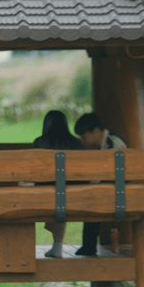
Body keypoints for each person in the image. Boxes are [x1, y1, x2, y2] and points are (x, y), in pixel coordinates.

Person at [73, 112, 127, 256]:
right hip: (111, 189)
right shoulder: (103, 144)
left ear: (96, 131)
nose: (82, 140)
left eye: (84, 136)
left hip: (119, 191)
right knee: (92, 196)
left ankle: (89, 245)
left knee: (93, 198)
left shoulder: (112, 143)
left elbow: (115, 173)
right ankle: (88, 245)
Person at [32, 110, 84, 258]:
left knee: (53, 199)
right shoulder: (77, 143)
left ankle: (56, 244)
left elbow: (34, 172)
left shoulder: (40, 142)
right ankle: (57, 246)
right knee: (61, 199)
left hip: (45, 196)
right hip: (76, 195)